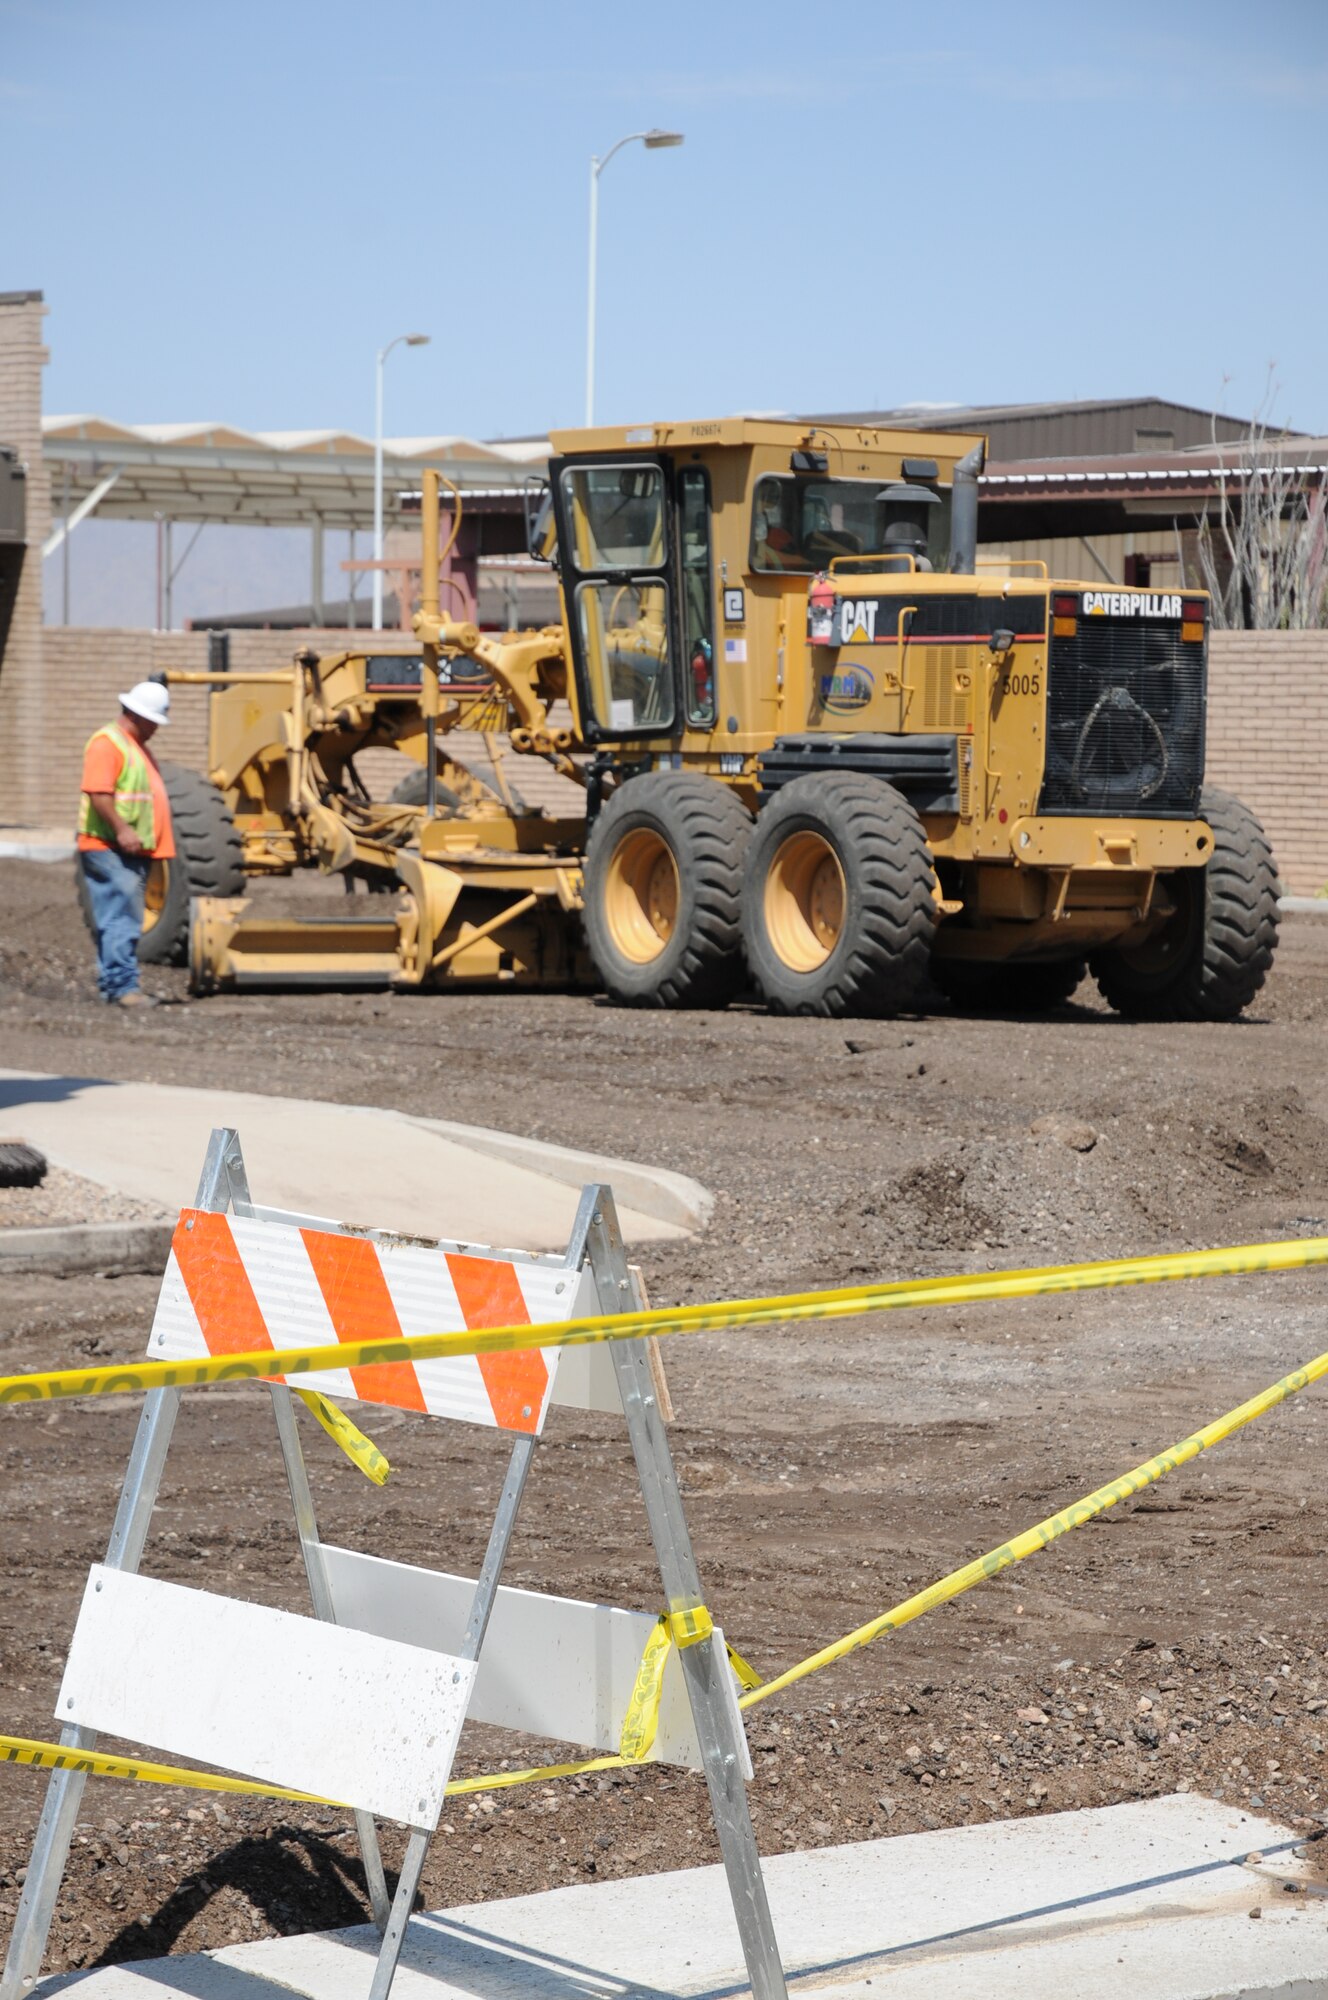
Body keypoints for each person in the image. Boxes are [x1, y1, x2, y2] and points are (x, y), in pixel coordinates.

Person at [77, 680, 175, 1007]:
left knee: (122, 916)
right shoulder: (108, 744)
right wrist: (122, 830)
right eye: (153, 722)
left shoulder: (133, 745)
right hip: (110, 847)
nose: (156, 730)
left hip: (127, 849)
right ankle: (122, 988)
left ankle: (116, 985)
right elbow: (98, 793)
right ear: (136, 715)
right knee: (121, 917)